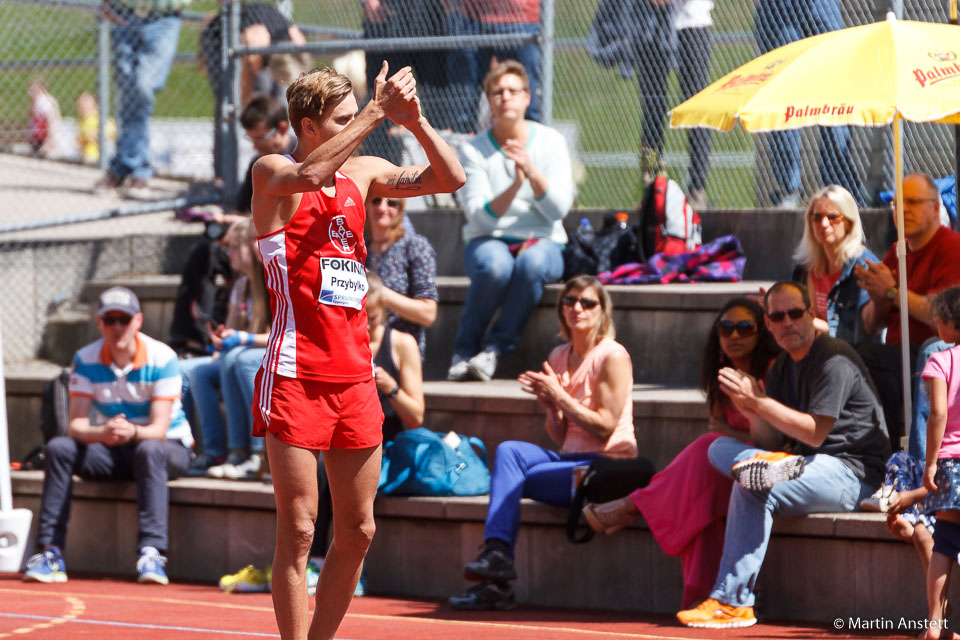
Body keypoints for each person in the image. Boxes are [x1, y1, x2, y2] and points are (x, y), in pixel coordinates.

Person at [249, 63, 464, 639]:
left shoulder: (365, 174)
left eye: (359, 118)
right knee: (297, 529)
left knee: (360, 530)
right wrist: (374, 111)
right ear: (310, 125)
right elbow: (314, 172)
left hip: (355, 378)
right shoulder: (275, 171)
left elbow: (451, 179)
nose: (360, 129)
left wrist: (414, 122)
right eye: (343, 120)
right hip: (296, 373)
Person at [676, 280, 890, 629]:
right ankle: (775, 468)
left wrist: (761, 402)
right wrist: (751, 411)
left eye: (794, 313)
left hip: (853, 474)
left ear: (812, 314)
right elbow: (768, 439)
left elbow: (815, 434)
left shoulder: (833, 357)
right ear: (769, 324)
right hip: (801, 464)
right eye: (777, 316)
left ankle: (733, 603)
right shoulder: (780, 368)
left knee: (751, 482)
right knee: (720, 448)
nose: (787, 322)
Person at [218, 272, 425, 596]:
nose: (367, 324)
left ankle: (344, 568)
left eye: (372, 317)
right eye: (358, 316)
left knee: (352, 509)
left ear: (382, 309)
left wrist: (391, 388)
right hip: (334, 432)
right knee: (312, 481)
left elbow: (417, 416)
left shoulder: (401, 343)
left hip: (390, 443)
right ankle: (314, 560)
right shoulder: (333, 343)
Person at [448, 275, 638, 610]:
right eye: (569, 300)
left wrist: (560, 397)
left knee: (510, 481)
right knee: (509, 451)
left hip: (607, 467)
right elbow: (561, 434)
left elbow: (606, 429)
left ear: (601, 310)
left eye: (587, 302)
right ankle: (497, 556)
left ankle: (497, 574)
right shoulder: (560, 354)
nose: (577, 308)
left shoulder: (612, 356)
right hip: (571, 460)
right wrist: (552, 406)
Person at [581, 297, 781, 608]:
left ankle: (635, 504)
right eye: (726, 329)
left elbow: (772, 440)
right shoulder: (721, 373)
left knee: (707, 449)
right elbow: (717, 428)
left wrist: (742, 420)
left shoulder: (772, 370)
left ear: (761, 334)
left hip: (771, 464)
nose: (734, 336)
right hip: (728, 466)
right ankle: (702, 599)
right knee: (699, 511)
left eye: (745, 328)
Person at [22, 287, 193, 585]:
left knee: (149, 449)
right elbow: (75, 426)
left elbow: (159, 430)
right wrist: (102, 432)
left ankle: (151, 554)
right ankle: (51, 551)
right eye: (109, 319)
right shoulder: (84, 359)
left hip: (168, 448)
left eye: (123, 319)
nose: (116, 327)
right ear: (99, 323)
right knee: (59, 448)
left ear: (137, 320)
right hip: (113, 447)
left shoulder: (162, 357)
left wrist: (132, 432)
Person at [447, 60, 574, 382]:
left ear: (527, 98)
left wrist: (531, 173)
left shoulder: (551, 142)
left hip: (543, 238)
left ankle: (493, 351)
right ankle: (463, 351)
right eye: (497, 92)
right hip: (489, 239)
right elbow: (478, 217)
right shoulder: (472, 150)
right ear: (488, 100)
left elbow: (558, 210)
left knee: (532, 264)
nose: (505, 97)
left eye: (513, 91)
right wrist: (515, 185)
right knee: (495, 266)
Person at [854, 173, 960, 451]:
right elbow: (871, 325)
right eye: (898, 204)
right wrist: (878, 297)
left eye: (913, 202)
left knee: (872, 358)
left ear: (936, 208)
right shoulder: (897, 251)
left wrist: (892, 292)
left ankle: (900, 457)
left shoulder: (951, 247)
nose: (904, 210)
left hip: (935, 352)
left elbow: (942, 315)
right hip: (897, 354)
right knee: (852, 355)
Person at [181, 219, 271, 478]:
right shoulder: (241, 285)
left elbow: (283, 335)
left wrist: (241, 338)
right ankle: (213, 452)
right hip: (243, 351)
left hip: (265, 353)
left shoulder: (270, 282)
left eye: (233, 247)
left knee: (238, 361)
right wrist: (222, 338)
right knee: (191, 372)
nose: (227, 253)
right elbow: (231, 330)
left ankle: (257, 452)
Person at [754, 0, 862, 208]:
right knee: (784, 97)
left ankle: (837, 189)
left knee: (834, 93)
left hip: (822, 6)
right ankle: (789, 190)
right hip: (779, 9)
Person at [200, 2, 310, 181]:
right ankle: (223, 178)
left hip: (267, 46)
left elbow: (297, 76)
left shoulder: (295, 40)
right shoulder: (255, 45)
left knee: (277, 110)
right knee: (227, 108)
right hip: (219, 41)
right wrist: (247, 111)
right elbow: (245, 93)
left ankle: (279, 168)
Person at [93, 0, 185, 199]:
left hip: (163, 16)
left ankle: (126, 167)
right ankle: (133, 169)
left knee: (142, 86)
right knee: (128, 92)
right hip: (124, 13)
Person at [361, 0, 450, 164]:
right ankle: (379, 160)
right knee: (384, 88)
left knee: (437, 92)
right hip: (387, 17)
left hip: (430, 14)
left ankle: (439, 161)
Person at [791, 185, 879, 345]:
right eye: (817, 217)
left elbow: (860, 336)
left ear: (849, 223)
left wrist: (811, 323)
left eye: (833, 217)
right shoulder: (805, 268)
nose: (824, 224)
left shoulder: (864, 267)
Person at [446, 0, 542, 134]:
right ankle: (462, 148)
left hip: (521, 18)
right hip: (471, 16)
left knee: (526, 98)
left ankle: (525, 146)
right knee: (463, 103)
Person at [364, 195, 438, 356]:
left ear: (401, 210)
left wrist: (378, 291)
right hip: (360, 345)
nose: (382, 208)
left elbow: (428, 314)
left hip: (400, 351)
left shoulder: (415, 246)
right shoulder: (357, 246)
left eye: (392, 203)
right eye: (376, 201)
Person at [28, 78, 62, 157]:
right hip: (38, 139)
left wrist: (49, 141)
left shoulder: (46, 102)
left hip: (47, 139)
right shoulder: (37, 102)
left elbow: (52, 122)